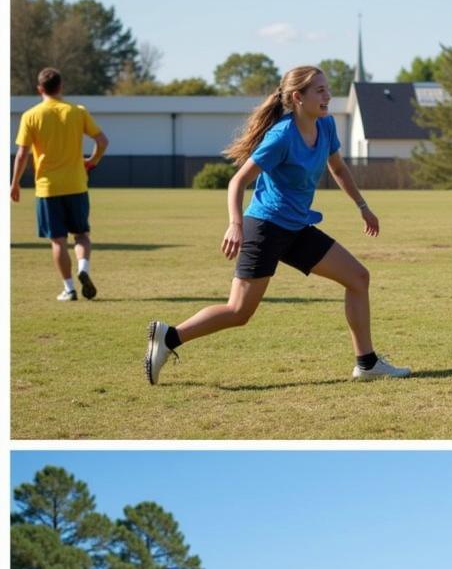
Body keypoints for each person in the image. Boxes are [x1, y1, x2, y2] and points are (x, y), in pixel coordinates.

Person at [144, 65, 410, 385]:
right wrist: (235, 224)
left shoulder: (325, 127)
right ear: (298, 97)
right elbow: (238, 181)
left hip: (297, 228)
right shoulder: (282, 135)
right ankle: (169, 337)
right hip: (266, 227)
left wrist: (363, 207)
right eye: (321, 91)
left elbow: (338, 168)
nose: (328, 96)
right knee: (239, 312)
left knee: (358, 277)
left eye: (328, 89)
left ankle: (366, 363)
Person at [10, 66, 107, 302]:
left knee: (58, 240)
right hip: (76, 184)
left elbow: (22, 154)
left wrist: (14, 183)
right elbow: (102, 140)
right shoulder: (77, 111)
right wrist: (91, 161)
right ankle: (83, 267)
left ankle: (69, 288)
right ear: (61, 87)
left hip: (47, 187)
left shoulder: (31, 116)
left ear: (40, 89)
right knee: (82, 235)